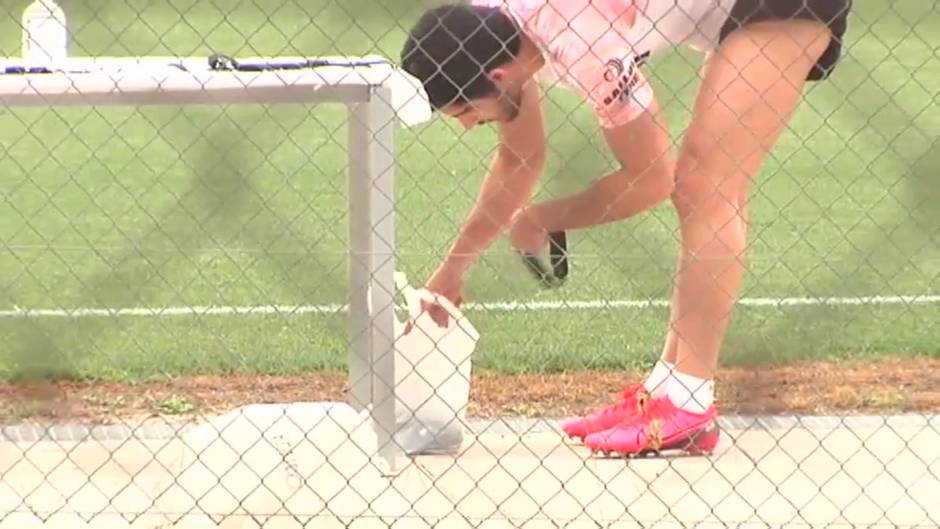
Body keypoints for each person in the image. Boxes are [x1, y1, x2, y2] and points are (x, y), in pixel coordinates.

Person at [399, 0, 852, 455]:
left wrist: (545, 217)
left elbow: (650, 179)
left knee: (704, 184)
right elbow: (518, 158)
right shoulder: (493, 25)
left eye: (466, 113)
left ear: (497, 78)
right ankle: (665, 392)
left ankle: (689, 404)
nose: (468, 126)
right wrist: (452, 271)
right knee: (707, 185)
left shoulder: (585, 46)